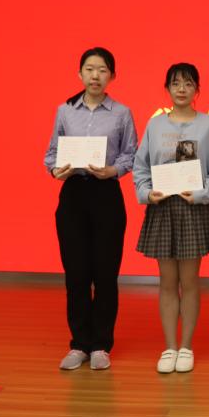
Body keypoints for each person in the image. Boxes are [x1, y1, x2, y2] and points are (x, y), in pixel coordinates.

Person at [44, 47, 137, 372]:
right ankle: (79, 344)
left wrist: (114, 170)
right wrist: (56, 170)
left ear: (112, 75)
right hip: (73, 194)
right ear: (80, 73)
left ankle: (101, 345)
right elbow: (51, 153)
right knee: (76, 274)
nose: (95, 75)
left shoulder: (122, 113)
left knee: (106, 274)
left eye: (102, 70)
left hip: (106, 194)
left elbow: (131, 154)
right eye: (89, 69)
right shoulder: (65, 110)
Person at [133, 63, 209, 374]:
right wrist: (147, 193)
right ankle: (169, 347)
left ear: (197, 89)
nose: (182, 89)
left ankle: (186, 346)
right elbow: (140, 167)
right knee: (166, 282)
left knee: (189, 281)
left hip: (193, 209)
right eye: (175, 83)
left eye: (188, 83)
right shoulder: (155, 125)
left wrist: (201, 194)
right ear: (167, 88)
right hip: (162, 208)